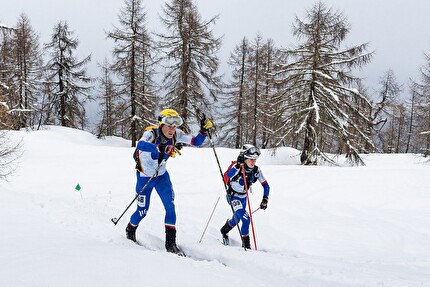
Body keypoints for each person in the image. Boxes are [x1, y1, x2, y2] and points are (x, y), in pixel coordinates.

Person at [126, 108, 213, 255]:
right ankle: (130, 229)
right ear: (161, 124)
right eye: (169, 126)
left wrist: (203, 131)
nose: (172, 129)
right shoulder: (151, 134)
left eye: (175, 126)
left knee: (170, 207)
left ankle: (171, 244)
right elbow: (140, 145)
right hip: (144, 177)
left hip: (161, 177)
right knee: (142, 211)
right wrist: (160, 147)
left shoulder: (176, 135)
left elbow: (196, 142)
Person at [220, 144, 270, 249]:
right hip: (233, 197)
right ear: (244, 158)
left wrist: (265, 199)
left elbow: (266, 185)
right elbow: (226, 177)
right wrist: (237, 166)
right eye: (250, 159)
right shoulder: (237, 167)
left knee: (237, 219)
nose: (253, 162)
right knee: (246, 219)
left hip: (243, 198)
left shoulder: (256, 170)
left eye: (255, 160)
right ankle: (246, 247)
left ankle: (224, 230)